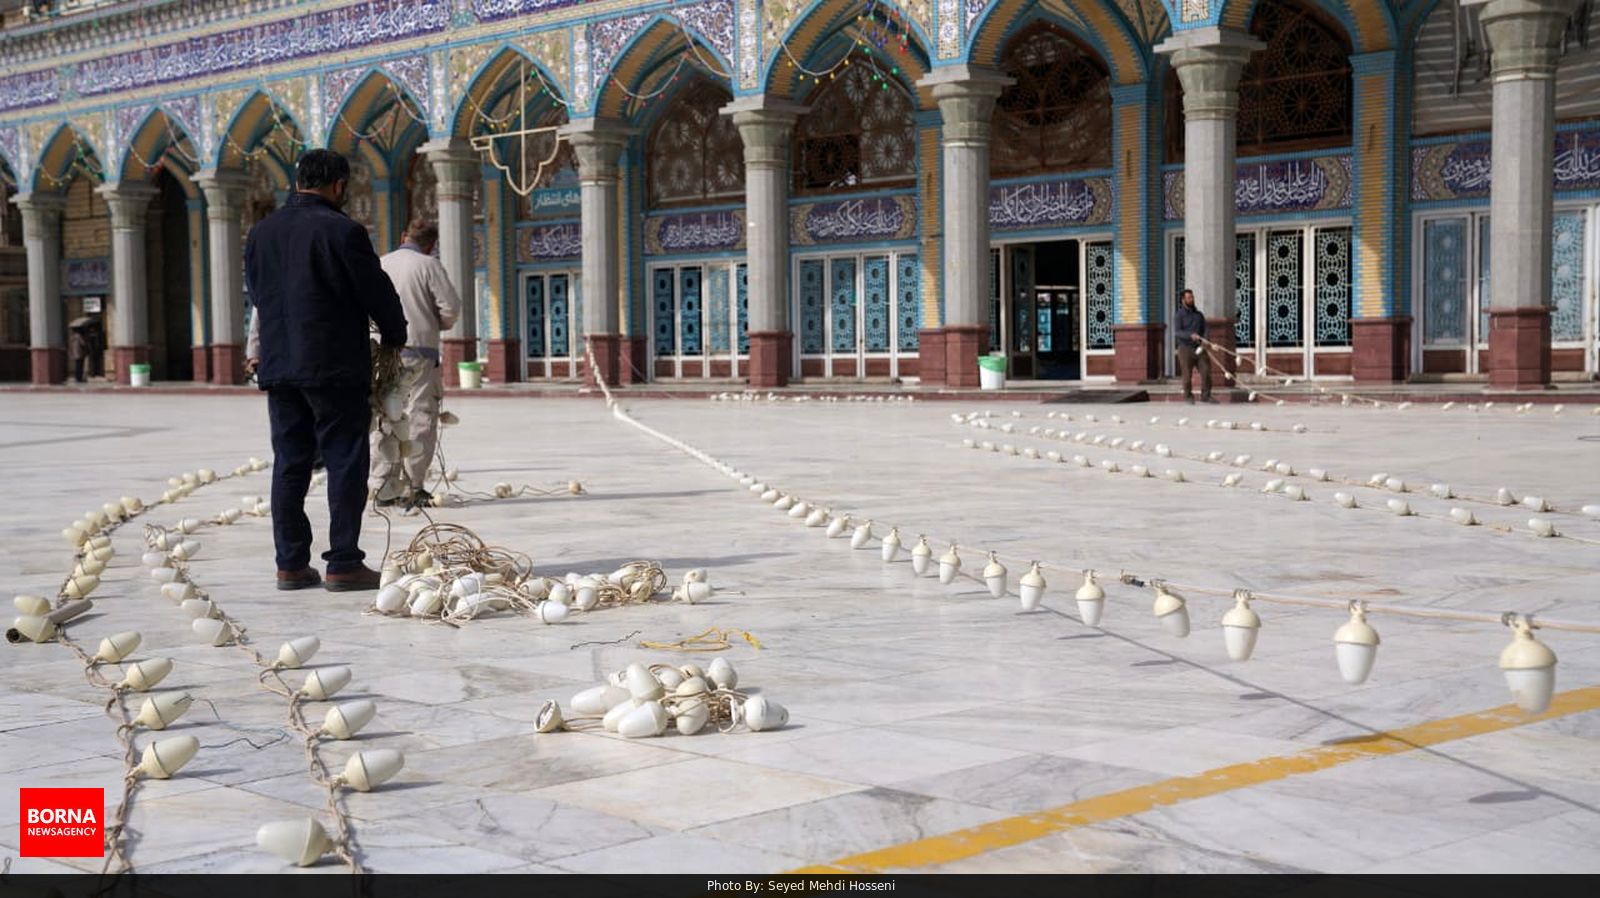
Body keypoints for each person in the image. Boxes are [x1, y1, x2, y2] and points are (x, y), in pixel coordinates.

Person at [244, 149, 408, 592]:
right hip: (332, 365)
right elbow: (376, 290)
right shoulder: (343, 231)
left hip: (280, 367)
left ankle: (291, 563)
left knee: (291, 463)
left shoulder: (261, 233)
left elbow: (259, 296)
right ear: (339, 185)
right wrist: (395, 334)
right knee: (345, 461)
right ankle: (344, 562)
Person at [371, 218, 460, 510]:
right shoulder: (428, 265)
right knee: (420, 413)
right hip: (419, 350)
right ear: (431, 244)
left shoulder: (381, 263)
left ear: (402, 236)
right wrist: (435, 323)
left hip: (383, 351)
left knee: (385, 416)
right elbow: (450, 307)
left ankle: (384, 485)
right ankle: (413, 485)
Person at [1173, 289, 1215, 404]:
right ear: (1183, 300)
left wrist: (1205, 339)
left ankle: (1206, 396)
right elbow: (1177, 332)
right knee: (1187, 375)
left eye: (1192, 297)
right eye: (1189, 298)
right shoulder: (1179, 315)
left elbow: (1205, 328)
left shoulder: (1199, 315)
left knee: (1206, 371)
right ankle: (1188, 396)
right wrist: (1189, 335)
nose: (1191, 300)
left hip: (1199, 348)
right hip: (1185, 348)